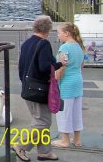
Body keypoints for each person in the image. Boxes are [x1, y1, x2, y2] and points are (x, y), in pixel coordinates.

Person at [12, 15, 67, 162]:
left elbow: (21, 67)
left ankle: (44, 151)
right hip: (39, 90)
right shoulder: (44, 44)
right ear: (48, 29)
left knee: (41, 121)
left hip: (28, 87)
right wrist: (60, 64)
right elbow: (44, 68)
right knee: (42, 123)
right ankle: (20, 145)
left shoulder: (26, 43)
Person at [51, 22, 85, 148]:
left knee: (63, 111)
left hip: (66, 83)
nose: (58, 36)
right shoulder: (80, 47)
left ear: (66, 33)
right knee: (76, 111)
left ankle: (64, 140)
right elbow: (82, 66)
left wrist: (55, 80)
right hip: (78, 81)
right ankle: (76, 139)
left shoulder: (64, 48)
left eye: (59, 33)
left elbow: (62, 66)